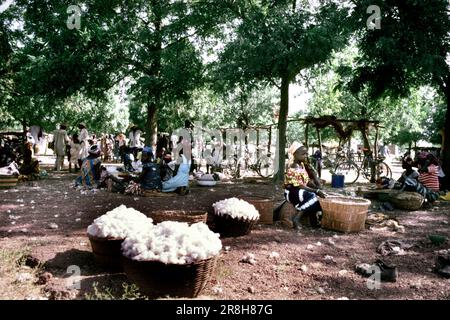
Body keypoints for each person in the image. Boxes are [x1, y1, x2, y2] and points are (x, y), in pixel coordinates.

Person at [284, 145, 326, 229]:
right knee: (312, 196)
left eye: (307, 154)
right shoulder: (293, 167)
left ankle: (314, 221)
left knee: (315, 198)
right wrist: (316, 191)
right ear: (295, 154)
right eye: (303, 154)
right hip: (291, 192)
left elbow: (307, 181)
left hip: (300, 191)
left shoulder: (302, 165)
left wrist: (315, 179)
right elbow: (299, 185)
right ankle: (296, 219)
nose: (306, 156)